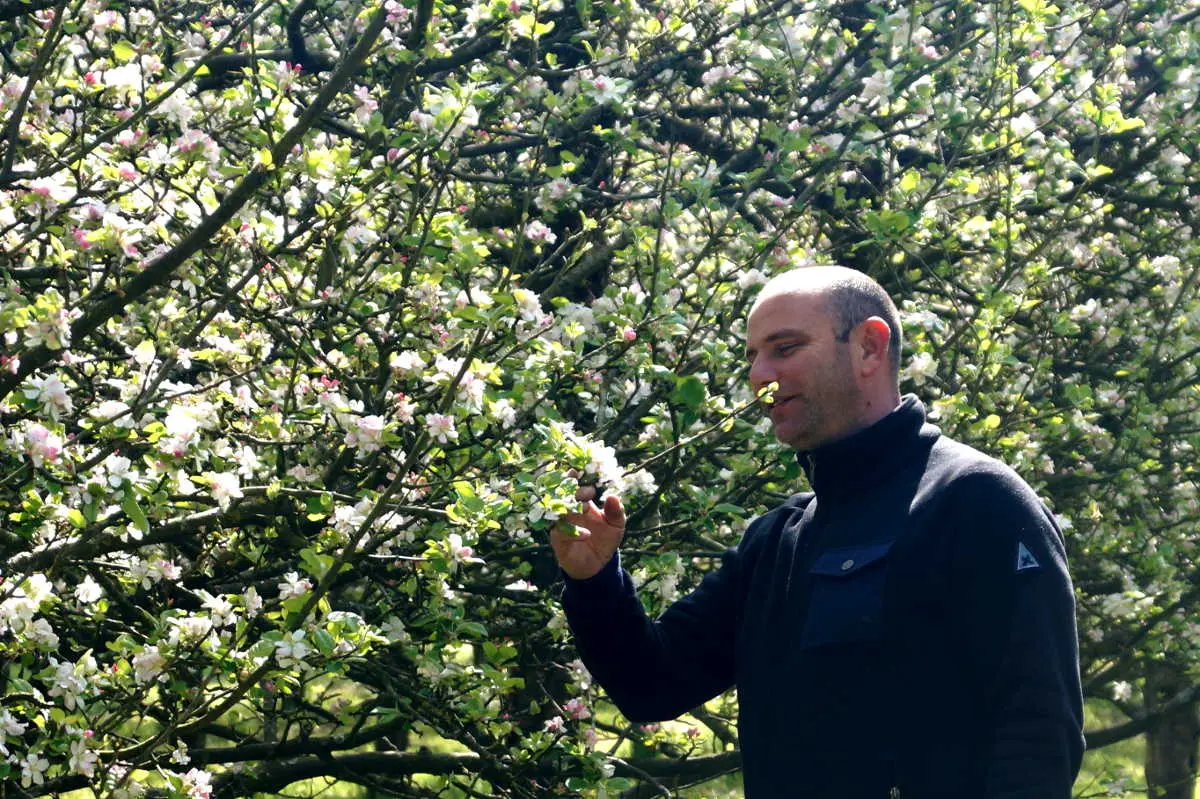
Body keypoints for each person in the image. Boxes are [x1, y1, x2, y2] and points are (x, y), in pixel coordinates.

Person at [551, 265, 1085, 798]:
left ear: (869, 347)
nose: (759, 376)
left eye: (784, 349)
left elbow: (1038, 734)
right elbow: (653, 686)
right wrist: (596, 581)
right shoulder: (776, 540)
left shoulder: (977, 501)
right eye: (752, 357)